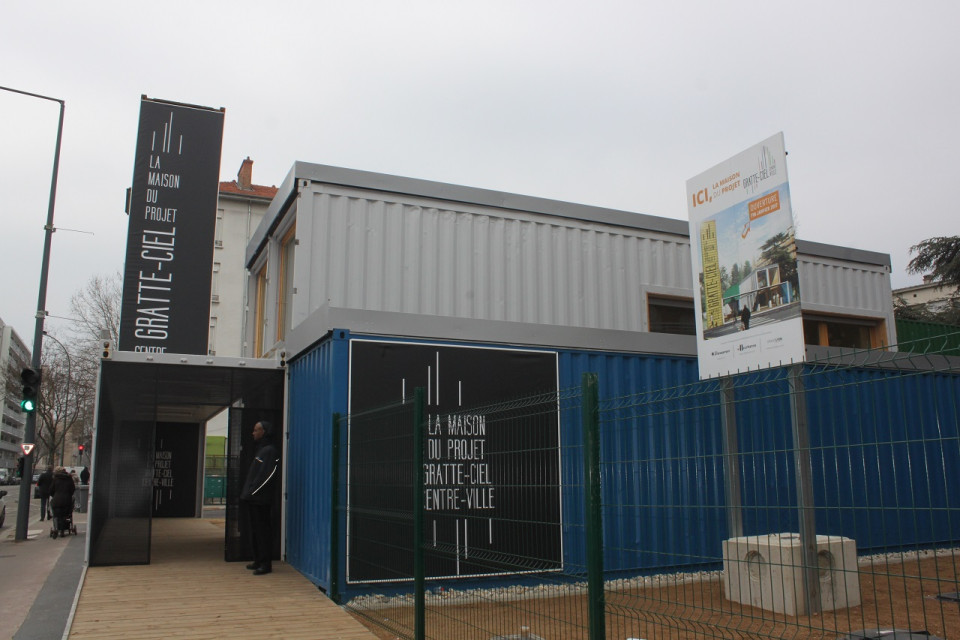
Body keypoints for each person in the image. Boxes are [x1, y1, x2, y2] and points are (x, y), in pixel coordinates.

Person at [240, 421, 280, 575]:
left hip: (261, 500)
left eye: (256, 430)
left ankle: (265, 563)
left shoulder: (269, 451)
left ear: (264, 431)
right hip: (254, 499)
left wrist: (252, 492)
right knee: (256, 531)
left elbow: (266, 476)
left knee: (263, 531)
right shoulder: (262, 450)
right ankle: (258, 560)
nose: (253, 433)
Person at [49, 466, 76, 533]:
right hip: (67, 501)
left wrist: (54, 495)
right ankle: (66, 525)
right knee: (67, 513)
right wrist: (69, 495)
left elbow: (51, 490)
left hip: (57, 501)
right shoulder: (69, 478)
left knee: (56, 513)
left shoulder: (55, 479)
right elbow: (72, 489)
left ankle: (57, 527)